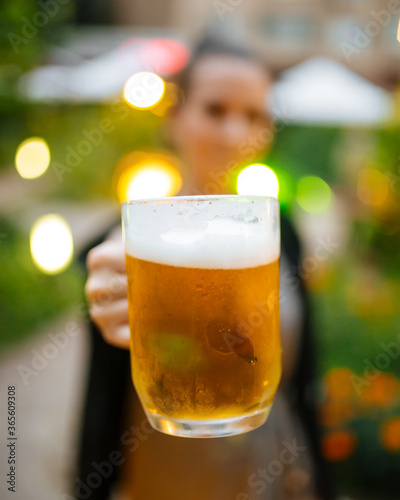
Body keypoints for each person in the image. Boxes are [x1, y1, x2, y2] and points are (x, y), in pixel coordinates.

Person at [79, 35, 331, 500]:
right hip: (166, 484)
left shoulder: (282, 230)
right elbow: (105, 275)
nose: (235, 132)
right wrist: (108, 292)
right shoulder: (136, 241)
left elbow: (303, 381)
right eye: (215, 110)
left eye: (254, 115)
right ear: (175, 117)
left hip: (272, 481)